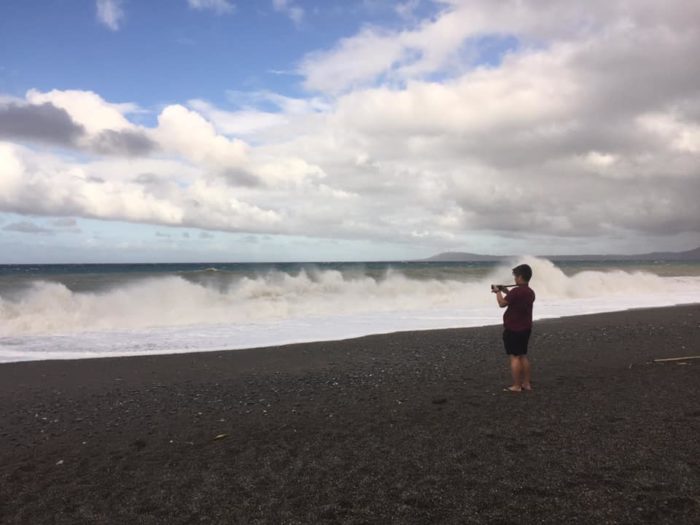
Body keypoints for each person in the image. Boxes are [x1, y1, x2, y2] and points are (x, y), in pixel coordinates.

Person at [494, 264, 535, 392]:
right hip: (526, 327)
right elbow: (516, 299)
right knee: (522, 355)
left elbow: (502, 304)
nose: (514, 279)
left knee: (514, 357)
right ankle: (526, 384)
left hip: (513, 328)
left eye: (516, 276)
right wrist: (507, 291)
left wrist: (498, 292)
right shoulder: (530, 292)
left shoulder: (516, 291)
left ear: (520, 276)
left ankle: (517, 385)